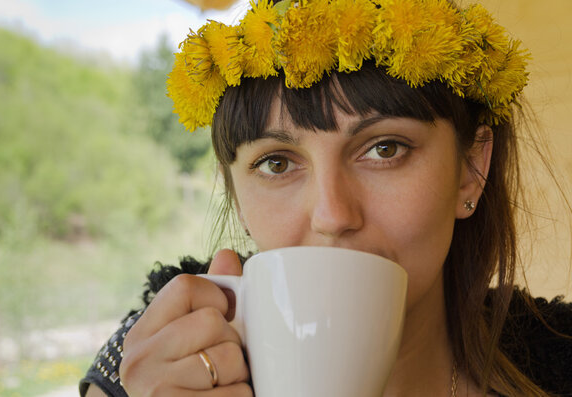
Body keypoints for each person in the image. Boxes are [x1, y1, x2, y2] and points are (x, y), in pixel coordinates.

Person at [80, 0, 572, 395]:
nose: (333, 215)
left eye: (385, 149)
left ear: (470, 170)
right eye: (277, 163)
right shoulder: (164, 360)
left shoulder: (558, 357)